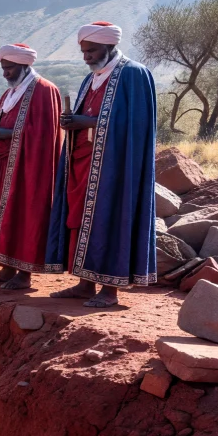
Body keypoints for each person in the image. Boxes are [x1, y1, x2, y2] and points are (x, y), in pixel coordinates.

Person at [47, 22, 158, 307]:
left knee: (111, 219)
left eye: (92, 51)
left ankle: (110, 290)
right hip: (82, 162)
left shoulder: (133, 74)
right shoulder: (91, 79)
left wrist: (89, 122)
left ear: (109, 46)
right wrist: (73, 123)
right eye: (84, 51)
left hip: (116, 166)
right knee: (82, 220)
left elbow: (137, 124)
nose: (87, 57)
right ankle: (85, 284)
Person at [0, 44, 63, 291]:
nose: (5, 73)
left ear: (23, 65)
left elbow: (45, 134)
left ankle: (24, 273)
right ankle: (5, 267)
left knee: (23, 215)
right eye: (3, 68)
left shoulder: (44, 90)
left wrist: (7, 134)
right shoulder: (10, 93)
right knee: (2, 215)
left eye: (9, 68)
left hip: (28, 168)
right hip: (2, 165)